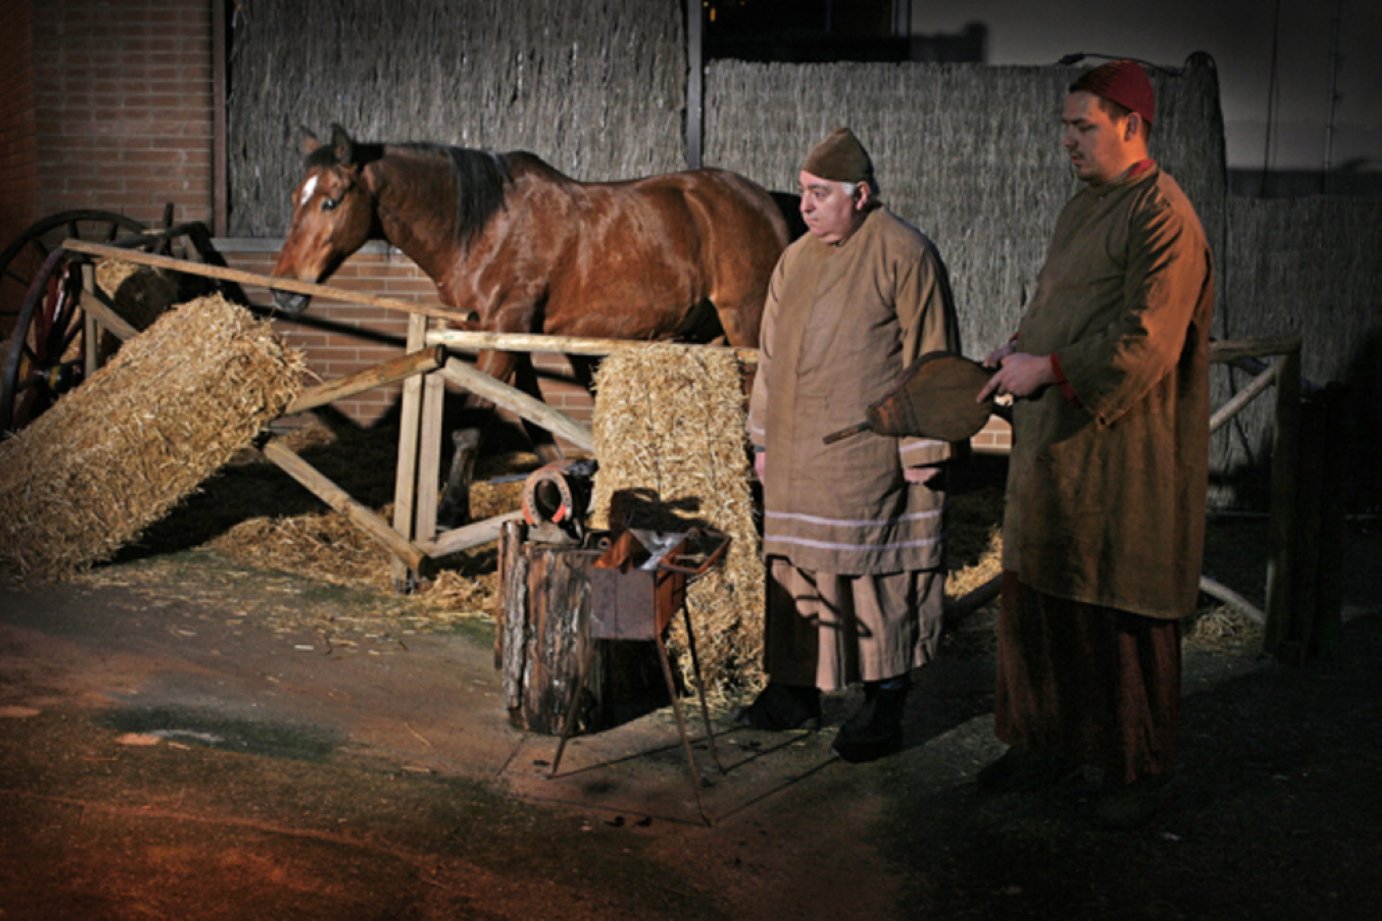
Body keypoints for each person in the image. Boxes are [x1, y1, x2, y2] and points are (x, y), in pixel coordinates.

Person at [977, 60, 1214, 826]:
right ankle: (1045, 744)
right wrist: (1015, 348)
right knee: (1046, 592)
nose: (1068, 141)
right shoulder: (1085, 207)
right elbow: (1062, 306)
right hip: (1058, 446)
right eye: (1065, 126)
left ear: (1131, 127)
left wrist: (1045, 367)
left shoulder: (1163, 215)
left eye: (1084, 126)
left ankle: (1126, 766)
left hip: (1122, 451)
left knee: (1112, 601)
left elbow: (1146, 342)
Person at [738, 127, 964, 763]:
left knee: (874, 576)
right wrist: (761, 440)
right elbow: (772, 356)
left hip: (868, 459)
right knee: (795, 573)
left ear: (860, 195)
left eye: (819, 194)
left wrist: (923, 451)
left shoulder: (904, 252)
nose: (804, 205)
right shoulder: (796, 258)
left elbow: (933, 357)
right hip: (795, 453)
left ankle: (884, 704)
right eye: (803, 192)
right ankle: (793, 693)